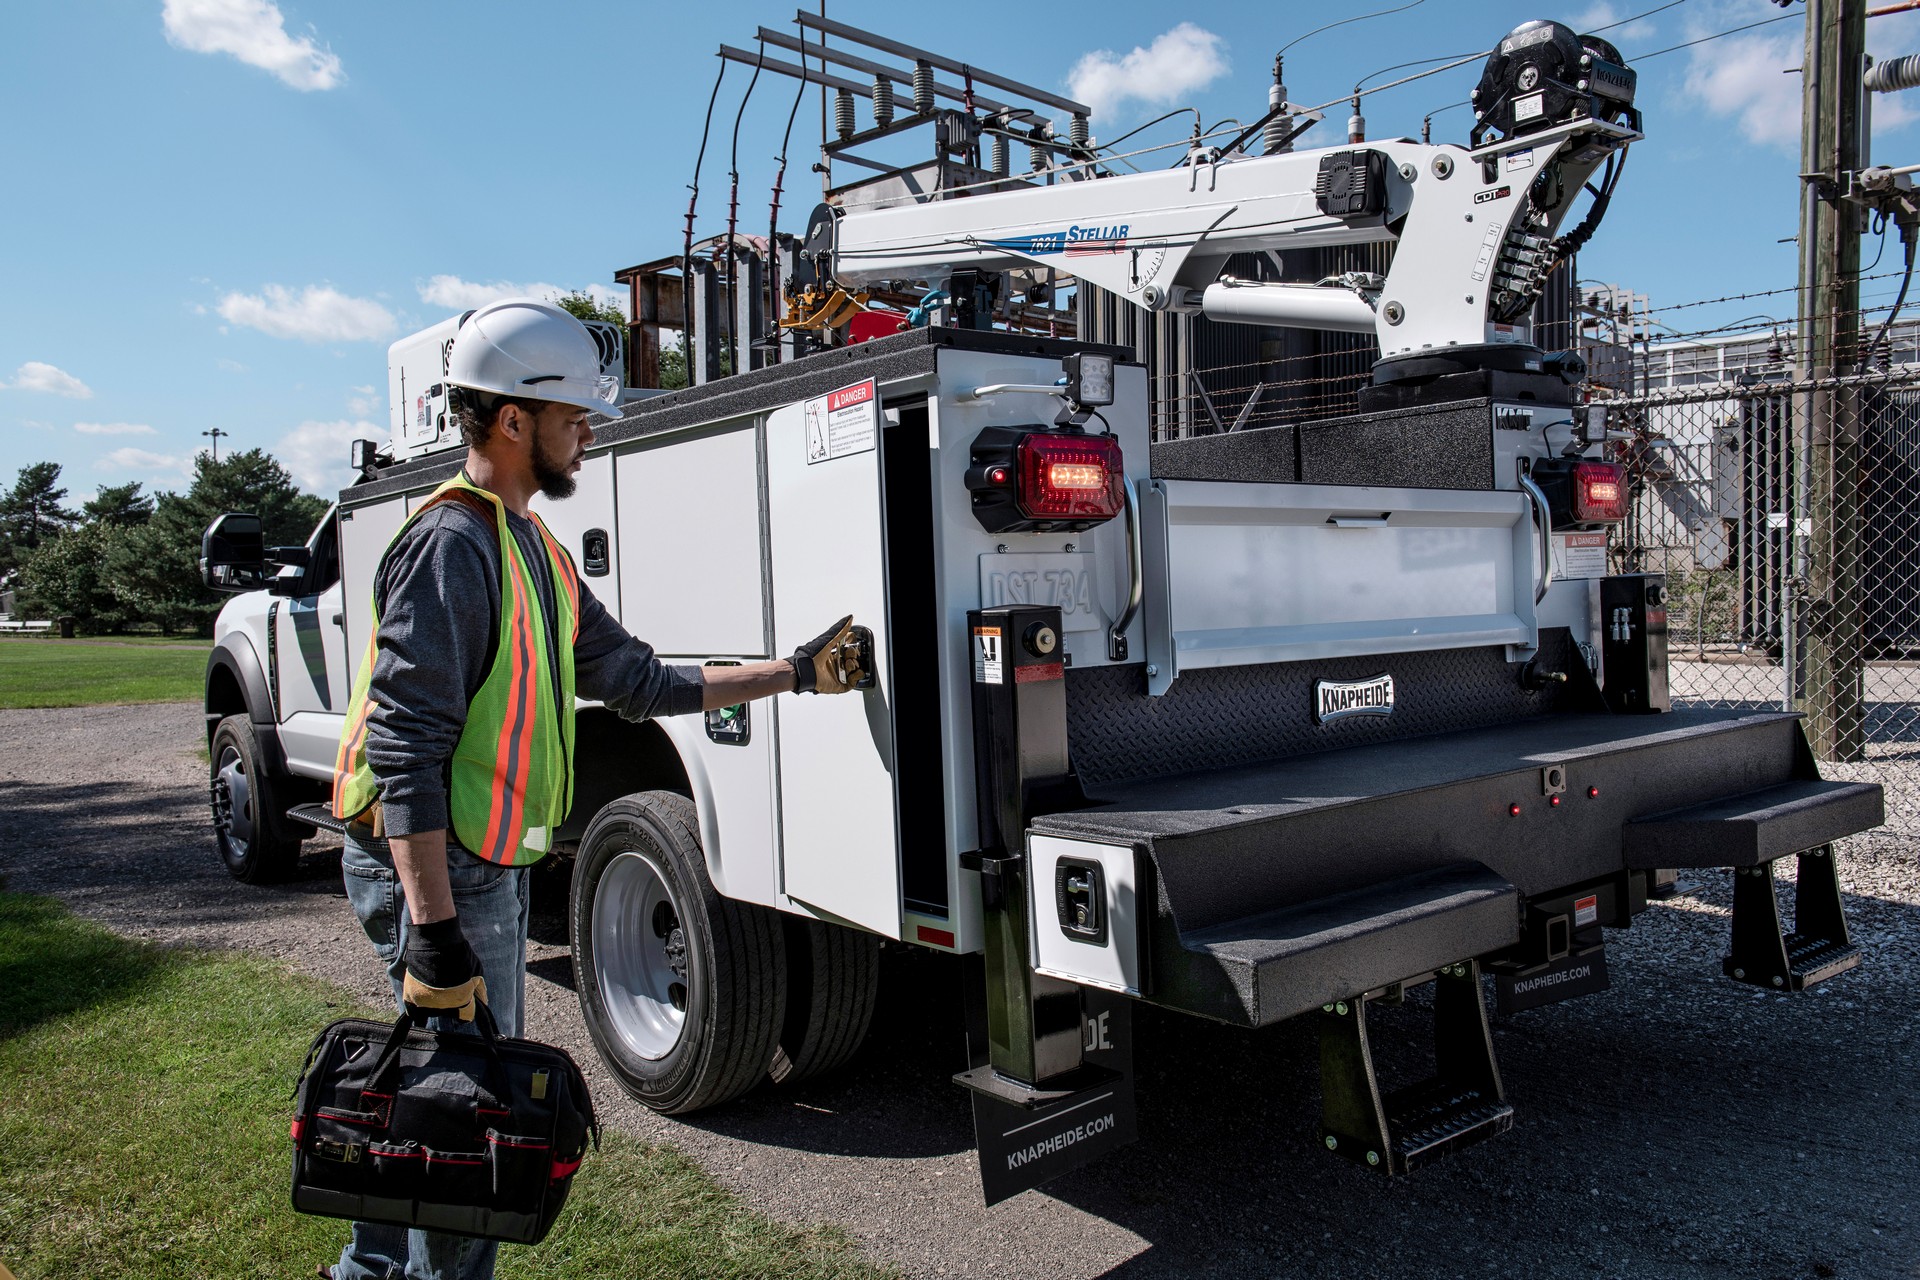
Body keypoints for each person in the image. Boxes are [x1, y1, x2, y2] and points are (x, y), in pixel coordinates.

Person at [324, 298, 866, 1280]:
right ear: (512, 419)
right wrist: (435, 929)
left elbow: (639, 680)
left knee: (439, 1089)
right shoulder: (451, 546)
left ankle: (371, 1269)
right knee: (468, 1118)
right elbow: (405, 748)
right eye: (575, 417)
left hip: (476, 861)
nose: (590, 434)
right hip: (441, 869)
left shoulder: (534, 548)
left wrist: (794, 671)